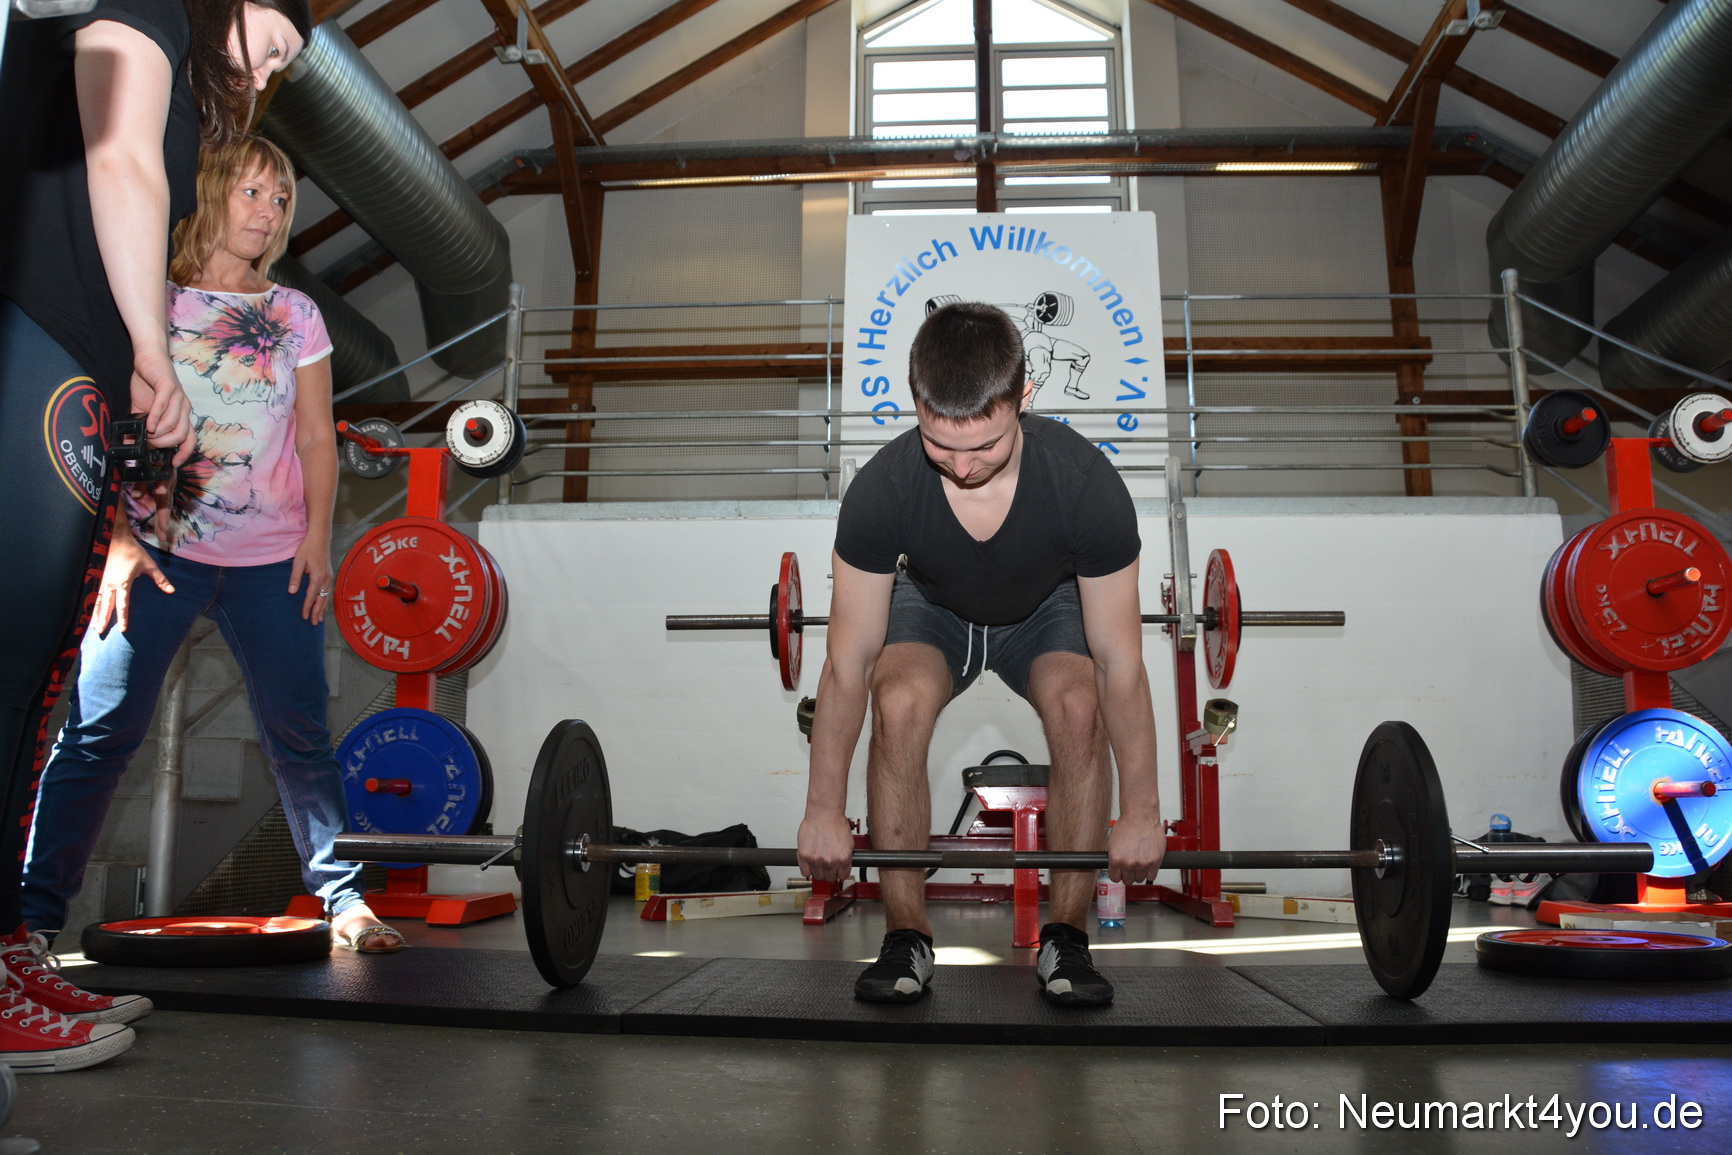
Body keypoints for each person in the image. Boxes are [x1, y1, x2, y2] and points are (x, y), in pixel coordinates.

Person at [0, 0, 309, 1072]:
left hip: (77, 357)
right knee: (23, 686)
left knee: (33, 686)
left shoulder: (186, 65)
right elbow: (123, 162)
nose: (264, 78)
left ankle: (5, 946)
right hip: (42, 336)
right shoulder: (155, 10)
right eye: (271, 46)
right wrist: (154, 351)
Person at [23, 133, 408, 985]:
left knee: (301, 739)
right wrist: (119, 534)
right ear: (212, 193)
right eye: (254, 192)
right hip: (154, 552)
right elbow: (101, 422)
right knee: (95, 739)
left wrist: (317, 537)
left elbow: (314, 435)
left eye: (281, 200)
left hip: (272, 560)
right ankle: (31, 923)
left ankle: (345, 901)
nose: (268, 212)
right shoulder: (146, 297)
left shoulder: (295, 315)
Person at [796, 302, 1165, 1007]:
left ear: (1023, 397)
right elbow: (848, 661)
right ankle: (907, 936)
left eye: (986, 445)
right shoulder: (881, 490)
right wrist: (822, 808)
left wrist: (1144, 809)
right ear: (916, 403)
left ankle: (1066, 937)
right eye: (941, 445)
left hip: (1043, 609)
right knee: (896, 700)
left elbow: (1122, 664)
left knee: (1080, 702)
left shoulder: (1086, 487)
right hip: (934, 606)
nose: (962, 466)